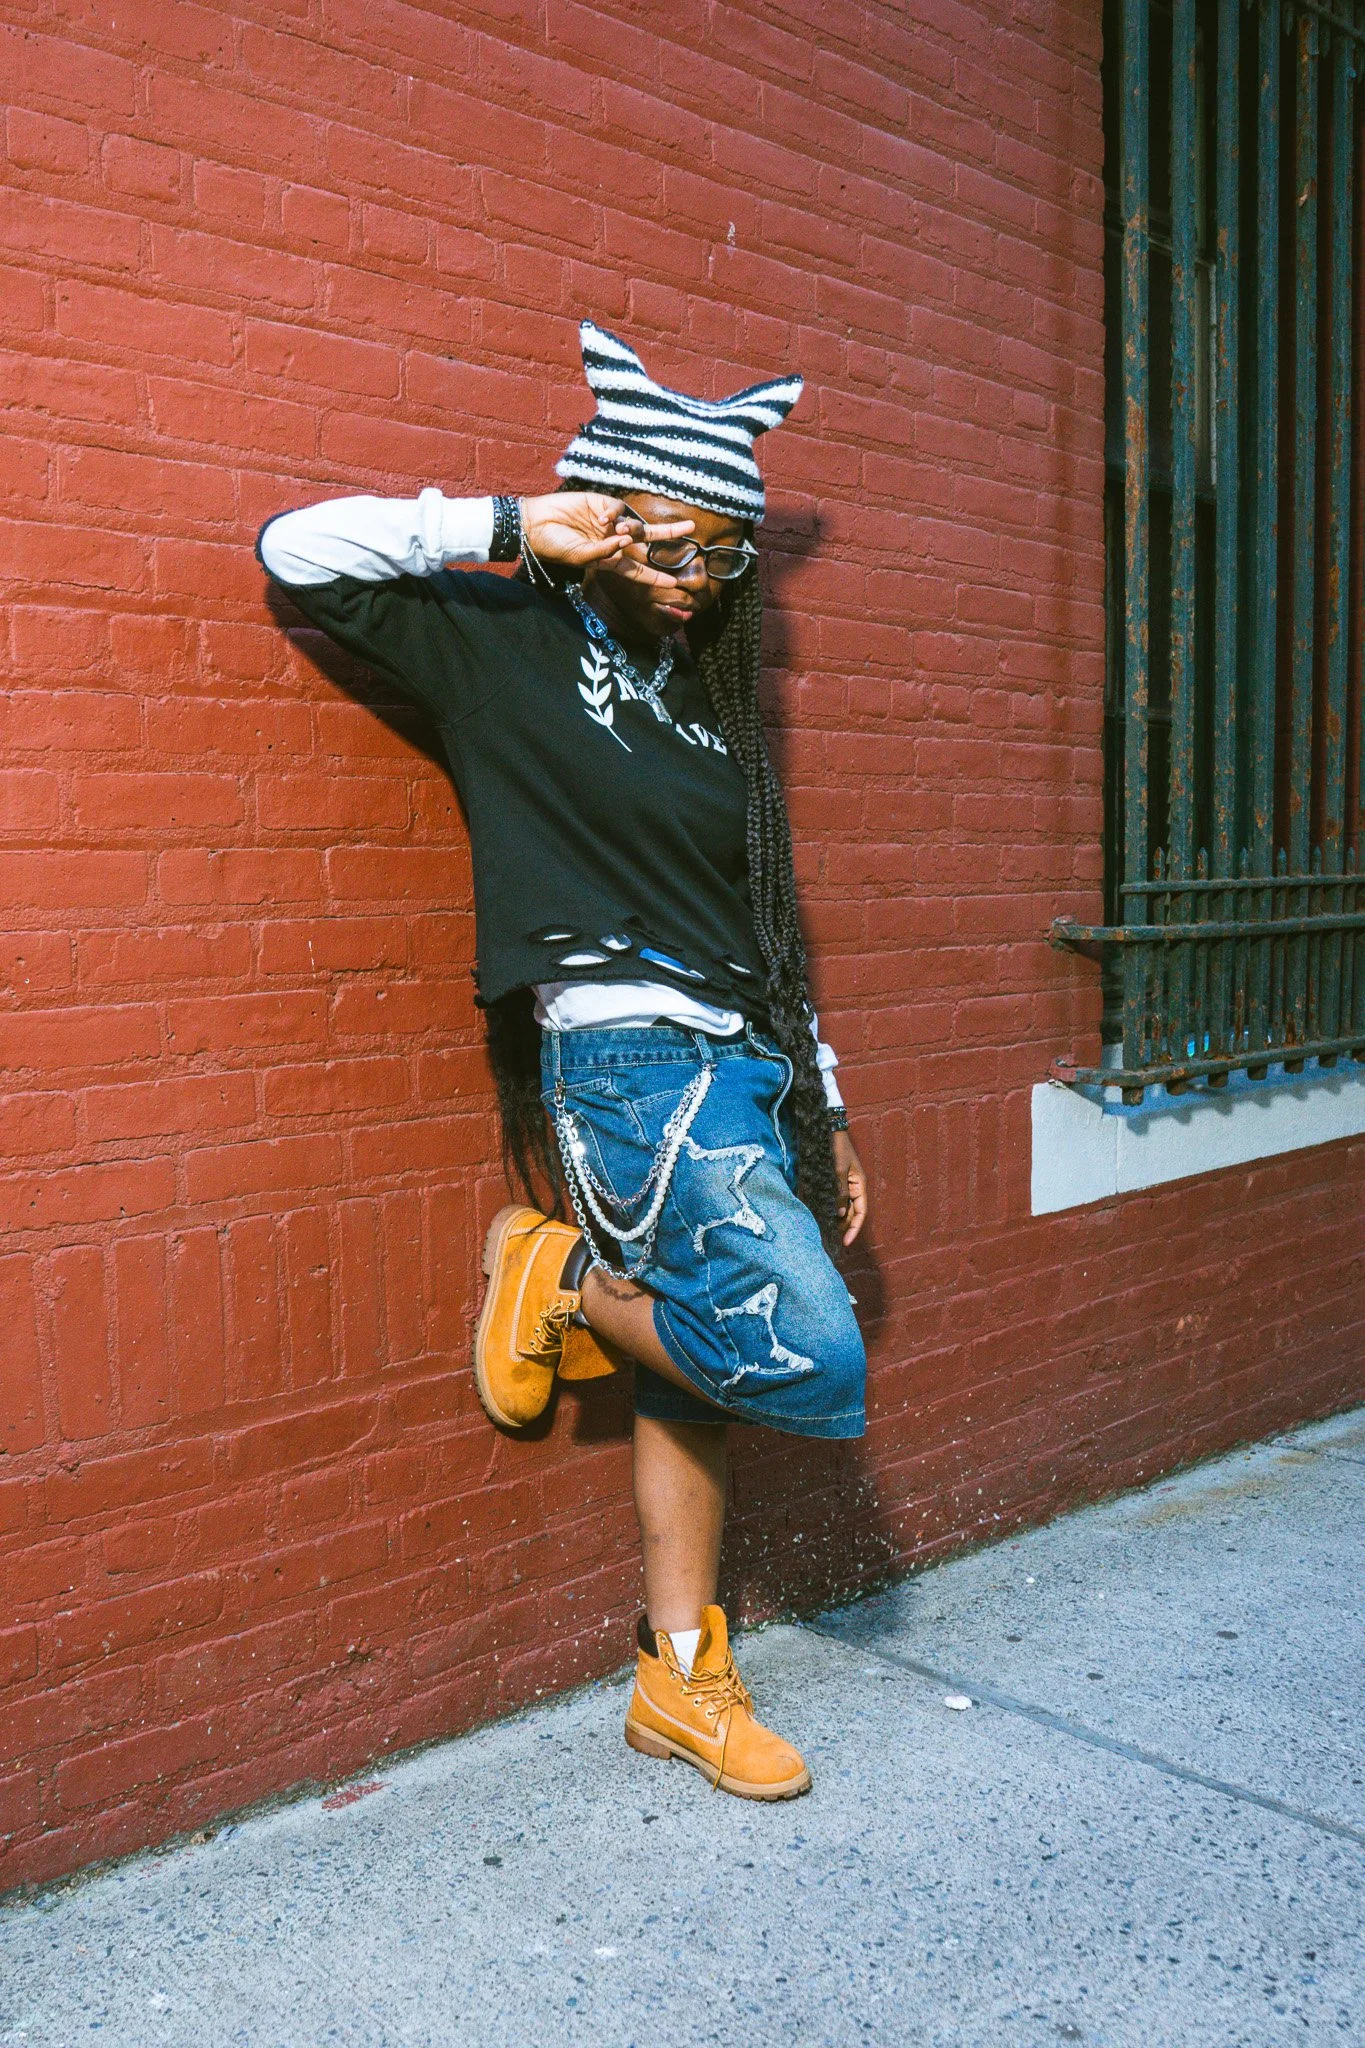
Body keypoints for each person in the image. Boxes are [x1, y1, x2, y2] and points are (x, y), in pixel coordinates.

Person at [258, 320, 869, 1800]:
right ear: (607, 513)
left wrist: (828, 1102)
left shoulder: (712, 700)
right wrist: (513, 525)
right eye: (668, 537)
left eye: (723, 551)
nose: (696, 574)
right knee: (810, 1358)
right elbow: (292, 551)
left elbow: (761, 921)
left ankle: (679, 1677)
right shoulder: (503, 643)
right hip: (629, 1064)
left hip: (744, 1063)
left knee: (699, 1381)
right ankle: (561, 1282)